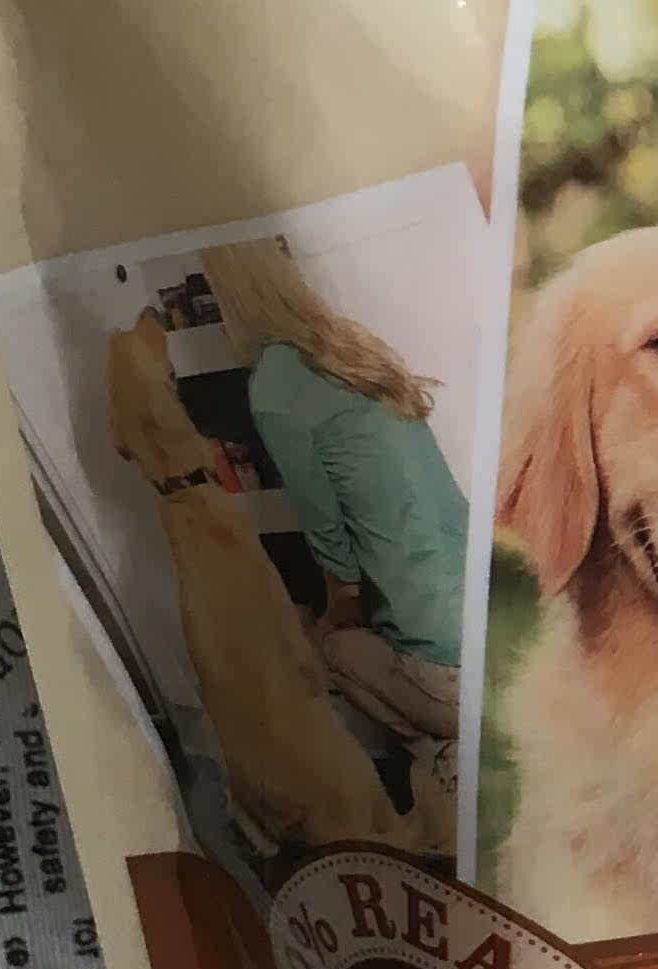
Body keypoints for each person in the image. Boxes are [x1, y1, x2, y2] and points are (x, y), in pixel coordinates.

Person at [196, 239, 471, 786]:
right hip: (492, 630)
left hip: (448, 678)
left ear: (232, 296)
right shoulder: (350, 347)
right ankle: (449, 746)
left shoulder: (274, 380)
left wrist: (324, 618)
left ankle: (442, 753)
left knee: (325, 648)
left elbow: (328, 540)